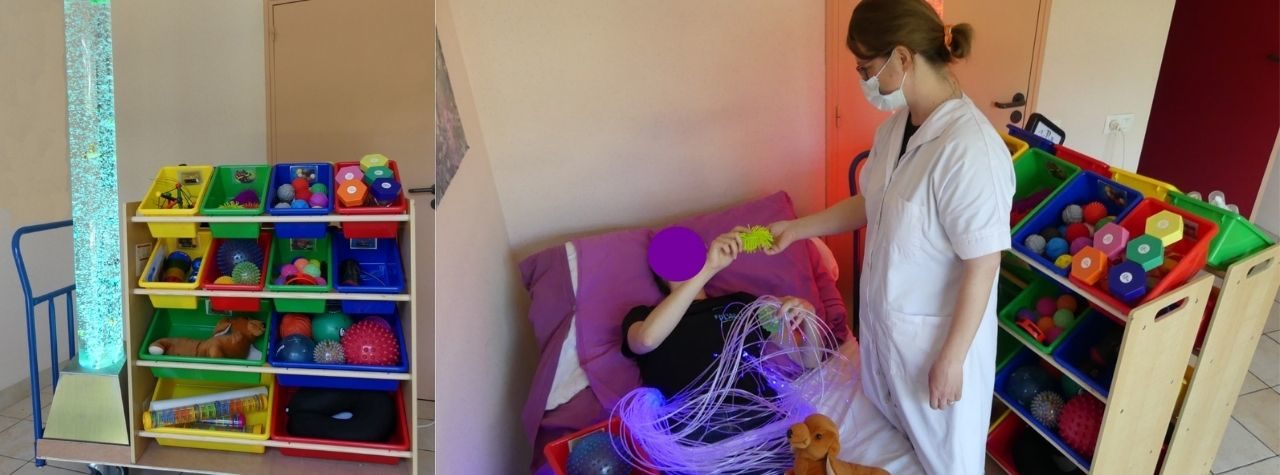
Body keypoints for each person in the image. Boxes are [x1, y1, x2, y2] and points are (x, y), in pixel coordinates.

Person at [764, 1, 1015, 473]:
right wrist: (796, 229)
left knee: (945, 463)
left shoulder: (970, 151)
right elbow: (872, 203)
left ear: (902, 57)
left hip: (935, 346)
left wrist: (953, 358)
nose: (863, 79)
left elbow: (983, 263)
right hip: (888, 337)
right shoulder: (896, 129)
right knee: (894, 446)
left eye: (866, 67)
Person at [621, 229, 819, 439]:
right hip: (697, 435)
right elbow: (646, 340)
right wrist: (709, 268)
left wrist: (809, 317)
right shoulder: (643, 316)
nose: (681, 253)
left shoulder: (743, 304)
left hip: (765, 423)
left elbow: (807, 361)